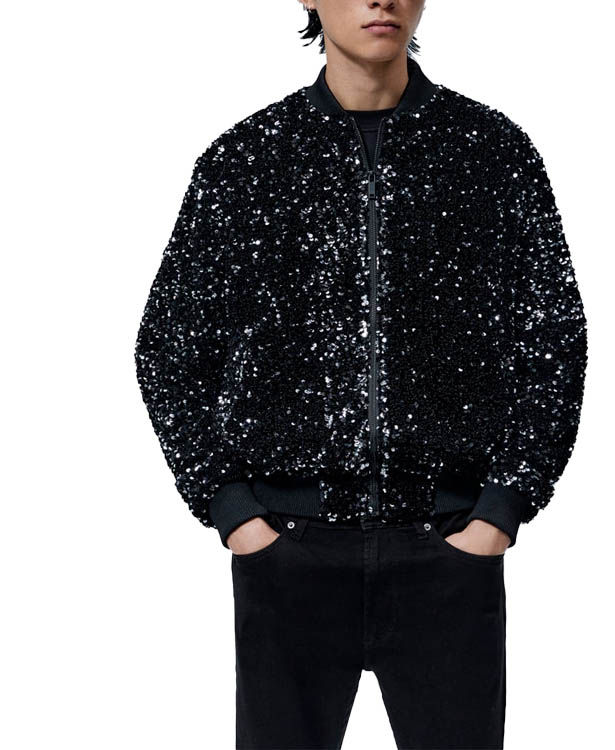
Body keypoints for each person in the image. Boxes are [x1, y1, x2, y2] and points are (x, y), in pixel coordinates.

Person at [134, 1, 588, 747]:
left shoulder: (490, 151)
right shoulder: (248, 160)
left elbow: (551, 337)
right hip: (289, 549)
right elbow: (168, 348)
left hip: (448, 544)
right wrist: (232, 510)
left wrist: (502, 507)